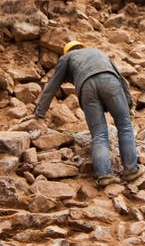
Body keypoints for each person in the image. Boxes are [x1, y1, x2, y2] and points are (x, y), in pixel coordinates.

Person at [34, 40, 139, 187]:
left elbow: (52, 84)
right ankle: (131, 171)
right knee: (125, 126)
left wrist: (40, 111)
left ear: (68, 51)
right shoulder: (98, 52)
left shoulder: (67, 57)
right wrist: (128, 105)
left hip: (86, 87)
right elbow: (122, 80)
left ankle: (104, 175)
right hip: (110, 82)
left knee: (99, 134)